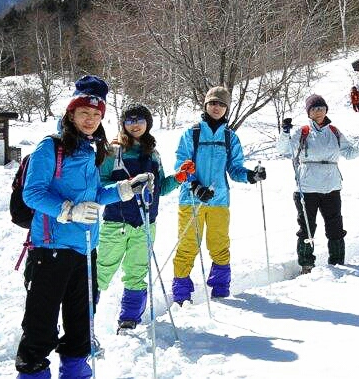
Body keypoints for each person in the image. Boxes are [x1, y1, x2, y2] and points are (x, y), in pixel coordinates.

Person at [16, 76, 153, 379]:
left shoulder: (90, 149)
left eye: (96, 114)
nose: (90, 120)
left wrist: (125, 189)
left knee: (80, 322)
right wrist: (68, 211)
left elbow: (94, 196)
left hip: (86, 249)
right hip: (50, 249)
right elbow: (32, 193)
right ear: (71, 114)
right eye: (84, 113)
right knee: (41, 324)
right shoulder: (50, 147)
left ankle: (76, 372)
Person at [170, 86, 265, 304]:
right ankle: (181, 296)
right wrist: (195, 187)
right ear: (206, 105)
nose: (217, 107)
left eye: (222, 104)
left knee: (220, 246)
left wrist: (251, 175)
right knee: (187, 247)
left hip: (219, 200)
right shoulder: (192, 134)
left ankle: (221, 292)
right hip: (191, 199)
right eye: (213, 103)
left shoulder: (230, 138)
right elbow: (181, 165)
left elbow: (235, 169)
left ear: (227, 109)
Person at [95, 103, 181, 331]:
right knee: (101, 271)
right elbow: (100, 186)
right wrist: (128, 186)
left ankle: (129, 319)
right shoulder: (113, 152)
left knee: (137, 272)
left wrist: (179, 178)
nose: (134, 125)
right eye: (129, 120)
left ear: (147, 124)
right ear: (123, 124)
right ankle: (84, 318)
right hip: (117, 222)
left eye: (139, 120)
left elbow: (160, 189)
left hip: (145, 223)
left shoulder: (153, 154)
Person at [277, 94, 359, 272]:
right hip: (307, 188)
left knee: (335, 227)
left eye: (321, 108)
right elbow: (283, 149)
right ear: (308, 113)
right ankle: (307, 264)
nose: (318, 111)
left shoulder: (334, 131)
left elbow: (349, 153)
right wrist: (285, 132)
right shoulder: (303, 132)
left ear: (326, 110)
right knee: (307, 227)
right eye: (314, 108)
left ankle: (337, 263)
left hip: (331, 187)